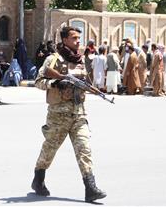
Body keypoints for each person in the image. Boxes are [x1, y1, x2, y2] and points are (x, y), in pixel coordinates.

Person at [31, 26, 106, 203]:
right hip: (58, 116)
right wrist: (56, 83)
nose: (78, 41)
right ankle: (38, 179)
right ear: (64, 39)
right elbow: (38, 82)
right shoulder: (53, 59)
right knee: (49, 150)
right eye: (74, 38)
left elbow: (86, 82)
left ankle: (90, 188)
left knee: (84, 150)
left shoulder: (80, 61)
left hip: (79, 114)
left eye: (79, 38)